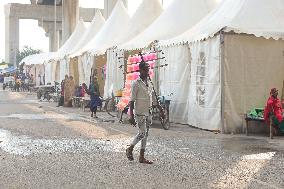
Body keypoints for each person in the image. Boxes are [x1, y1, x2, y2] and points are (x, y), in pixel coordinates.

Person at [126, 62, 165, 164]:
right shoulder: (136, 83)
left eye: (148, 70)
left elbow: (153, 98)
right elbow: (132, 100)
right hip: (139, 112)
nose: (147, 72)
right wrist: (130, 114)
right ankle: (130, 148)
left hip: (149, 112)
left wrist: (160, 109)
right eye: (145, 70)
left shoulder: (150, 83)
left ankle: (141, 157)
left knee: (146, 134)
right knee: (142, 133)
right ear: (140, 70)